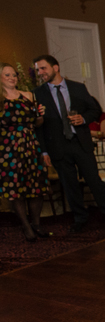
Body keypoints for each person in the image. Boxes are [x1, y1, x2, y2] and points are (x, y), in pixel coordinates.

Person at [33, 54, 105, 233]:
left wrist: (83, 118)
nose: (40, 72)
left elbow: (95, 110)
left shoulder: (77, 88)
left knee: (94, 181)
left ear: (55, 68)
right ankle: (80, 218)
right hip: (57, 146)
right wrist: (43, 152)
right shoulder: (38, 93)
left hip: (80, 142)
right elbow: (39, 127)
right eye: (38, 70)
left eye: (43, 68)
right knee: (70, 186)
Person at [1, 62, 50, 242]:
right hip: (8, 148)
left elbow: (37, 123)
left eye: (14, 75)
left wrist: (40, 116)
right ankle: (26, 225)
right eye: (7, 75)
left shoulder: (28, 95)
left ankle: (36, 223)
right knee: (16, 188)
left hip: (30, 144)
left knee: (36, 186)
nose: (12, 78)